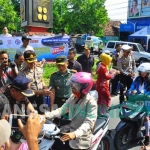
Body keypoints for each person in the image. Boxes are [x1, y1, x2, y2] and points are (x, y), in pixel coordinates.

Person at [45, 72, 97, 150]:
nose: (72, 86)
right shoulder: (73, 97)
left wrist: (75, 134)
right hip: (67, 132)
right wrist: (45, 115)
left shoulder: (91, 103)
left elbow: (89, 123)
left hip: (80, 139)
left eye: (76, 85)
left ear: (84, 87)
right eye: (72, 84)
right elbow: (61, 110)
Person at [18, 50, 51, 114]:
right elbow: (24, 90)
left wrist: (44, 87)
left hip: (40, 97)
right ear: (25, 60)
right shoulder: (22, 73)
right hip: (29, 99)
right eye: (30, 62)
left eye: (33, 61)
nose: (32, 63)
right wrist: (41, 92)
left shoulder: (39, 68)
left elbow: (41, 79)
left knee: (42, 114)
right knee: (30, 116)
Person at [127, 63, 150, 145]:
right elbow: (132, 87)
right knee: (130, 115)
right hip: (136, 99)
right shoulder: (137, 79)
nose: (142, 73)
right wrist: (129, 91)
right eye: (141, 72)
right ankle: (135, 134)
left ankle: (147, 136)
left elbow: (148, 93)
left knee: (146, 118)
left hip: (146, 101)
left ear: (148, 72)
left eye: (144, 72)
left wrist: (144, 95)